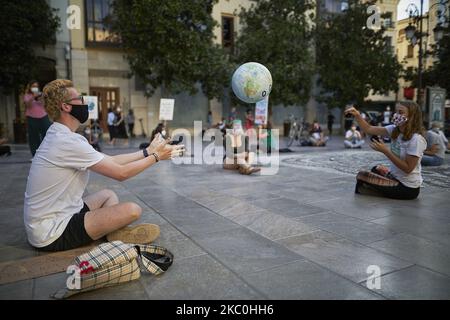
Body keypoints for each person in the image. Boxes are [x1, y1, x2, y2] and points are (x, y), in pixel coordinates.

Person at [24, 79, 184, 252]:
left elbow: (112, 161)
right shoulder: (65, 141)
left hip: (60, 215)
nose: (84, 103)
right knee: (132, 210)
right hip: (51, 231)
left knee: (108, 195)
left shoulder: (61, 136)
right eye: (80, 98)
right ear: (66, 106)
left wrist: (148, 151)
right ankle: (113, 233)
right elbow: (121, 173)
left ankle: (113, 233)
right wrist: (156, 157)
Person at [345, 101, 426, 200]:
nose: (396, 115)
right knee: (376, 168)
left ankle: (373, 190)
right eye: (396, 111)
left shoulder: (416, 139)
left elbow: (408, 168)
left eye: (401, 112)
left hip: (407, 188)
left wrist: (386, 151)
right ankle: (374, 189)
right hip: (394, 177)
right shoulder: (394, 130)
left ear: (412, 116)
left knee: (362, 175)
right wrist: (357, 115)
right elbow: (369, 129)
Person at [23, 80, 52, 157]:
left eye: (36, 86)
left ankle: (46, 154)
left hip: (43, 117)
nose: (35, 88)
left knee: (47, 135)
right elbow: (28, 105)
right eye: (33, 86)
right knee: (33, 137)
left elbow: (45, 104)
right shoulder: (27, 95)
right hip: (31, 118)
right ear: (30, 87)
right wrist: (33, 97)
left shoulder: (41, 94)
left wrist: (41, 98)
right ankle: (35, 155)